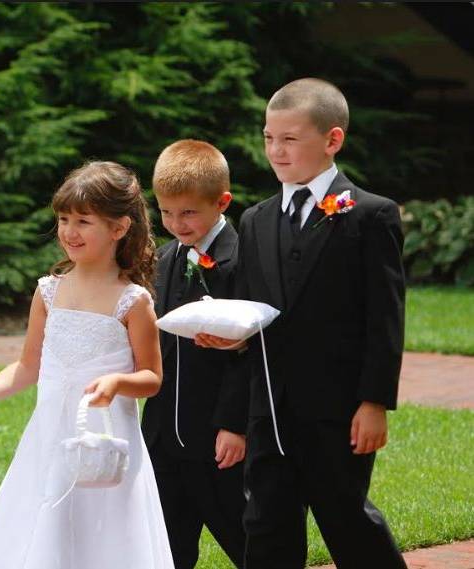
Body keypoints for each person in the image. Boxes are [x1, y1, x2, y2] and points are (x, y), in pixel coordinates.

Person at [197, 78, 407, 568]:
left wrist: (374, 401)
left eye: (290, 139)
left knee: (347, 519)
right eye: (269, 137)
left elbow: (385, 317)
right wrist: (230, 344)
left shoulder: (369, 216)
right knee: (265, 525)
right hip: (269, 407)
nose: (276, 150)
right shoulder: (256, 220)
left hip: (338, 410)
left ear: (332, 140)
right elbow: (253, 315)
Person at [0, 161, 175, 569]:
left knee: (103, 533)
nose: (69, 231)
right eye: (64, 219)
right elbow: (28, 366)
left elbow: (152, 378)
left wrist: (118, 382)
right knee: (46, 528)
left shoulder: (133, 301)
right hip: (48, 438)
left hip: (106, 441)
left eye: (84, 221)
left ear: (119, 228)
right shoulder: (49, 292)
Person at [141, 139, 248, 568]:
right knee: (166, 547)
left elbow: (251, 354)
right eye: (166, 212)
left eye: (188, 212)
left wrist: (234, 425)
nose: (176, 223)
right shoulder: (163, 259)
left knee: (246, 540)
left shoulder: (240, 260)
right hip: (164, 437)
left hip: (218, 440)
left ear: (222, 202)